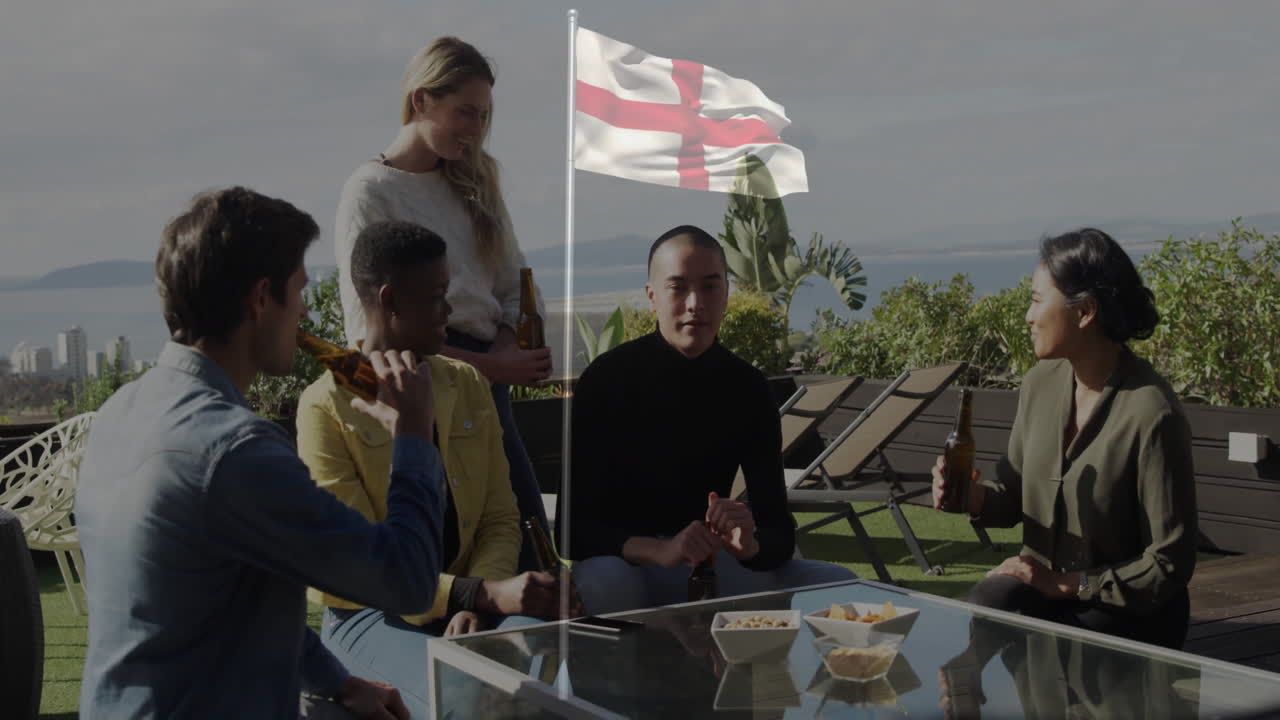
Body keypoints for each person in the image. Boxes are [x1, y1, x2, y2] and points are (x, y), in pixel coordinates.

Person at [76, 188, 448, 718]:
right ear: (259, 299)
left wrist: (338, 682)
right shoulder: (235, 452)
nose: (302, 311)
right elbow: (407, 581)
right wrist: (414, 433)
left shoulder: (121, 414)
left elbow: (222, 598)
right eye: (298, 290)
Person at [298, 220, 581, 719]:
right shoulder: (326, 406)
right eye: (436, 297)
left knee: (569, 682)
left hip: (478, 604)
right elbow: (352, 569)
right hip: (371, 616)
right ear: (389, 302)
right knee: (473, 698)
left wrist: (481, 599)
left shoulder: (466, 382)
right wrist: (476, 594)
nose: (449, 312)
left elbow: (500, 515)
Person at [333, 36, 552, 571]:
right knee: (448, 544)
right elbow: (370, 330)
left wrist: (505, 352)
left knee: (528, 542)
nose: (475, 129)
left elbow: (512, 278)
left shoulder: (476, 179)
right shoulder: (370, 191)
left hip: (489, 385)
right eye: (465, 113)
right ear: (421, 100)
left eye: (483, 116)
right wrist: (492, 365)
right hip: (420, 386)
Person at [932, 227, 1198, 651]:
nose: (1028, 316)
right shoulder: (1041, 384)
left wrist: (1066, 584)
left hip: (1126, 611)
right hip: (1047, 592)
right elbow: (1013, 490)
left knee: (1049, 638)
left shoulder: (1151, 413)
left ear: (1085, 311)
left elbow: (1168, 563)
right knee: (989, 599)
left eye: (1037, 301)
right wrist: (972, 495)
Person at [567, 225, 855, 614]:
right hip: (628, 568)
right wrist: (661, 549)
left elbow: (779, 532)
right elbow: (571, 531)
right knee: (605, 582)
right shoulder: (607, 380)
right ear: (652, 297)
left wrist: (749, 544)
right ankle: (625, 674)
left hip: (715, 568)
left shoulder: (747, 388)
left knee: (843, 587)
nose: (695, 303)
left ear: (726, 295)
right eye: (678, 288)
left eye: (709, 287)